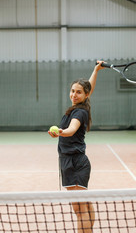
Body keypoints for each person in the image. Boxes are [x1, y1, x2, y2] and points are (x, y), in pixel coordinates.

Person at [48, 61, 104, 233]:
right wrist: (96, 70)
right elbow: (89, 87)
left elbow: (71, 130)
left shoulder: (79, 112)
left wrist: (60, 132)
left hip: (75, 163)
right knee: (84, 204)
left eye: (78, 92)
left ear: (85, 95)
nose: (74, 94)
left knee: (80, 210)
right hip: (72, 162)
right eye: (72, 91)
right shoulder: (79, 106)